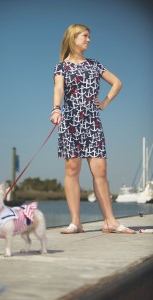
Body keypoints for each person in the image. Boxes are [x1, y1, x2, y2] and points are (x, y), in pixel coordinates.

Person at [50, 24, 135, 234]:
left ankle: (110, 222)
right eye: (85, 36)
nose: (89, 39)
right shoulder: (62, 67)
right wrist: (56, 109)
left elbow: (117, 83)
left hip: (93, 124)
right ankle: (76, 222)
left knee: (101, 172)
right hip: (70, 122)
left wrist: (105, 102)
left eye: (89, 36)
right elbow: (58, 87)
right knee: (72, 171)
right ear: (73, 38)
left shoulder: (95, 65)